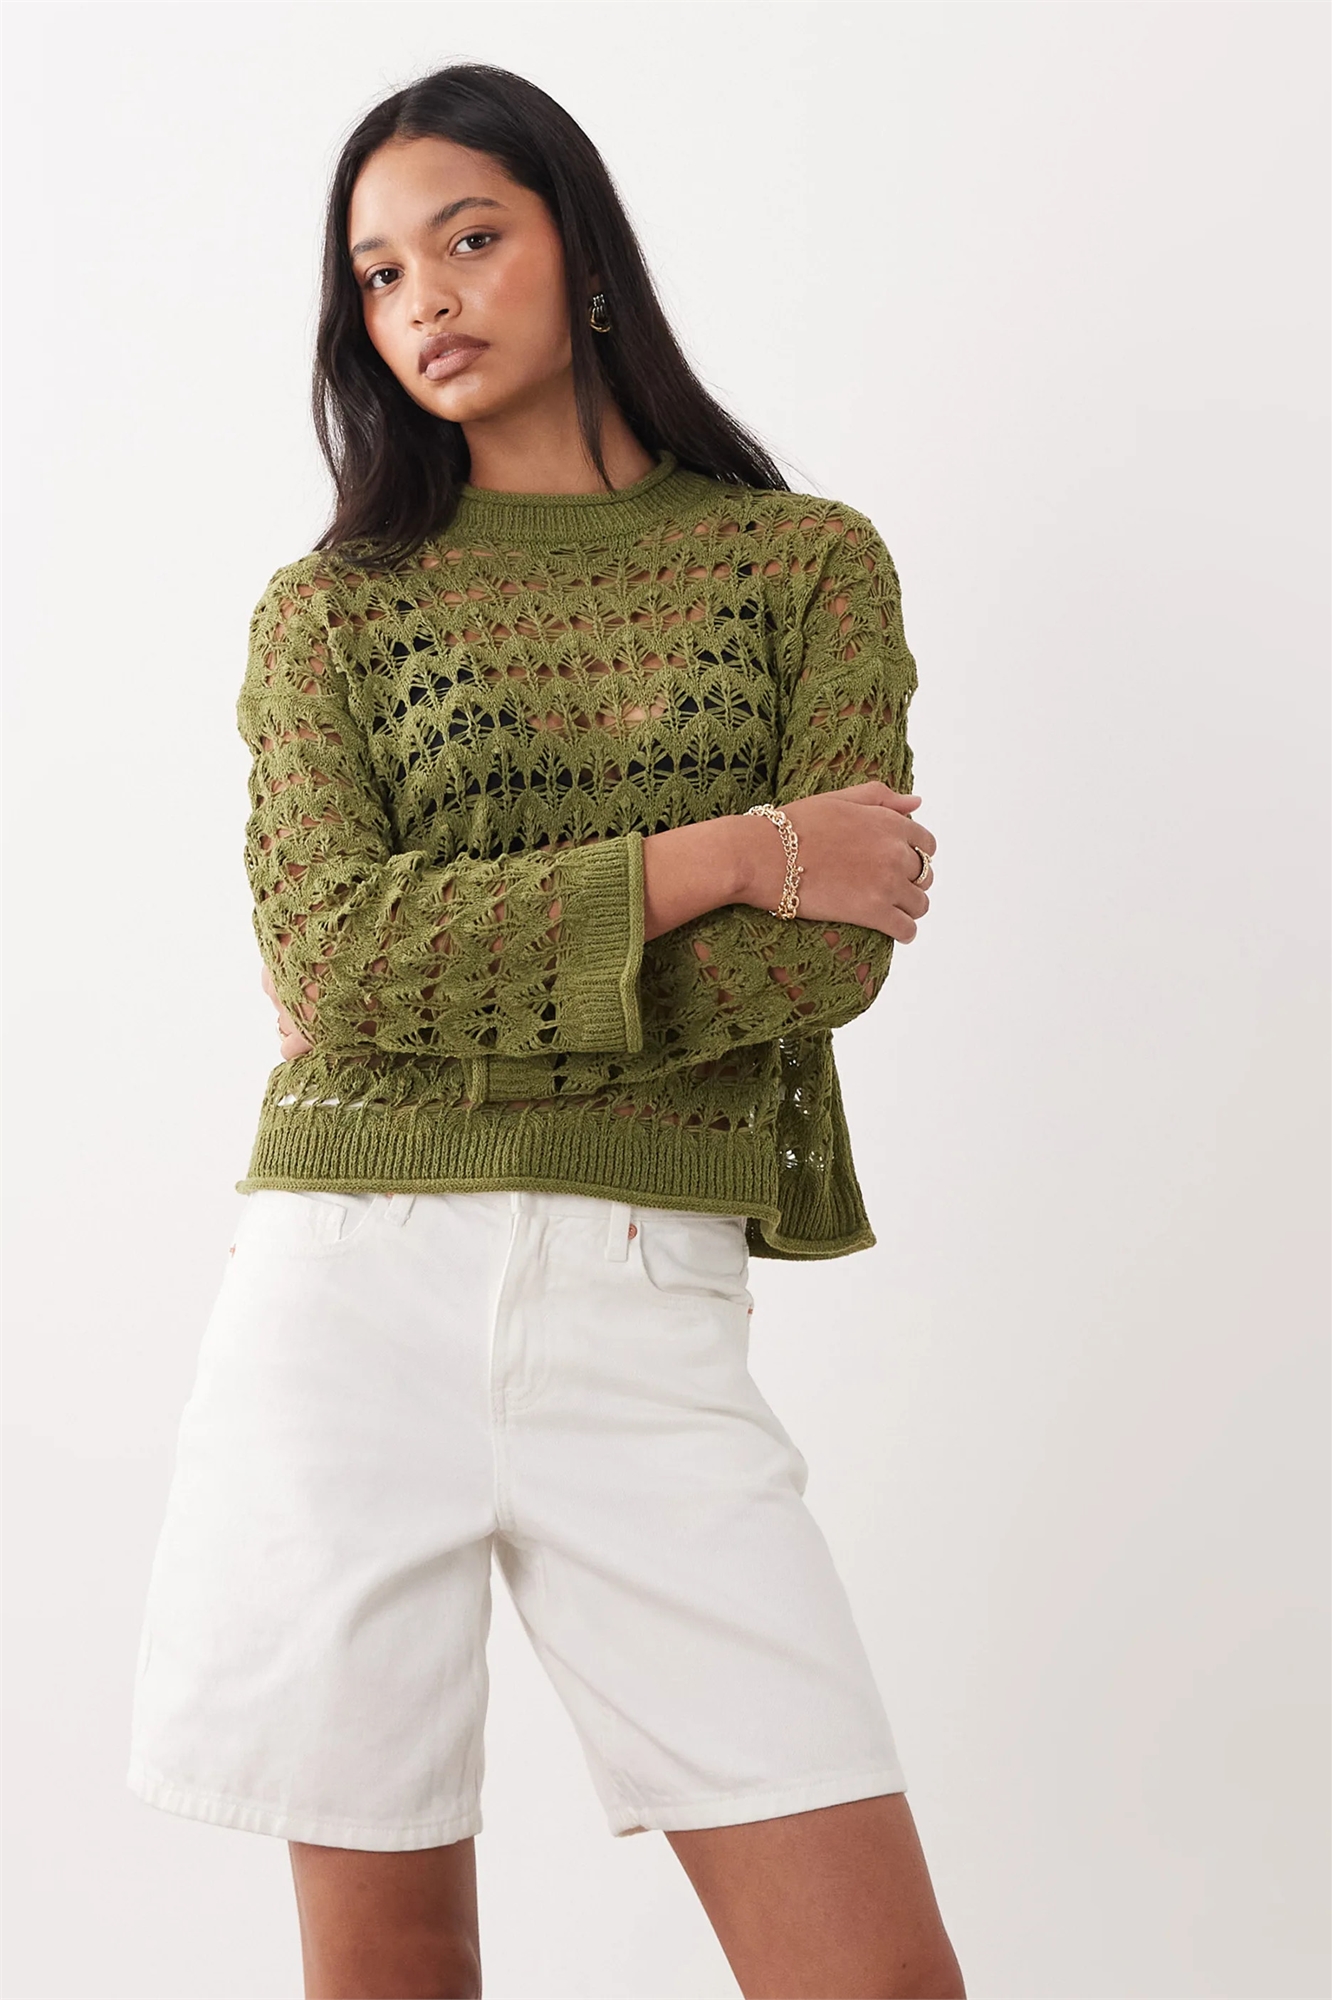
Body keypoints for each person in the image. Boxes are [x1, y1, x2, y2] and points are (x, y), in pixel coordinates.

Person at [126, 60, 964, 2000]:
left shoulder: (799, 564)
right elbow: (343, 955)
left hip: (644, 1310)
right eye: (375, 272)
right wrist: (732, 853)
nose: (420, 296)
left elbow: (824, 968)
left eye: (468, 237)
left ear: (579, 249)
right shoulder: (330, 614)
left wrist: (450, 980)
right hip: (346, 1309)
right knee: (391, 1965)